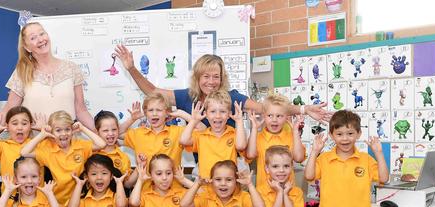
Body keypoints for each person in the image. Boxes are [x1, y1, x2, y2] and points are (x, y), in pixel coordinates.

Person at [114, 45, 331, 127]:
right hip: (204, 167)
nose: (211, 81)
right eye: (205, 76)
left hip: (230, 165)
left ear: (222, 77)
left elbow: (266, 109)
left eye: (215, 76)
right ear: (197, 78)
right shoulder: (185, 97)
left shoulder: (231, 97)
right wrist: (132, 68)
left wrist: (303, 109)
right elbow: (152, 92)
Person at [2, 22, 94, 130]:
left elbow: (81, 110)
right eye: (33, 38)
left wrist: (98, 132)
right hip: (36, 142)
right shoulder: (22, 72)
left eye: (42, 34)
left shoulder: (71, 68)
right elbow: (9, 110)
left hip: (67, 141)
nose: (41, 40)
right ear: (27, 47)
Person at [93, 109, 140, 207]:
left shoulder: (123, 156)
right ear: (97, 132)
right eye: (105, 130)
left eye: (114, 129)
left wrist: (140, 169)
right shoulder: (92, 154)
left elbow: (127, 184)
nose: (110, 134)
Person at [178, 90, 247, 178]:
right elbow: (183, 140)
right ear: (205, 114)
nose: (217, 116)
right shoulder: (201, 135)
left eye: (222, 111)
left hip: (228, 186)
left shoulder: (233, 133)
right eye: (213, 111)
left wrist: (239, 121)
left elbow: (241, 146)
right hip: (206, 186)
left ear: (229, 114)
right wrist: (193, 121)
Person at [246, 94, 306, 191]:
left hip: (287, 193)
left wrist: (295, 132)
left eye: (279, 116)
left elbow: (299, 158)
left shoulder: (291, 137)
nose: (274, 120)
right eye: (270, 115)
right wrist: (254, 130)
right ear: (264, 116)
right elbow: (250, 155)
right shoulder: (258, 137)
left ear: (286, 117)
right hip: (264, 194)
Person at [123, 92, 192, 169]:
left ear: (167, 113)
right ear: (145, 113)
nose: (154, 113)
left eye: (159, 110)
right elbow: (117, 133)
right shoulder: (138, 133)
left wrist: (181, 114)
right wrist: (132, 119)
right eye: (150, 110)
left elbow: (201, 130)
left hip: (173, 181)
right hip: (146, 181)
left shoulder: (177, 132)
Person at [0, 106, 34, 191]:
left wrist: (43, 131)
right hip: (9, 200)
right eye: (15, 123)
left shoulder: (37, 144)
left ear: (30, 126)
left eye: (24, 123)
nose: (19, 127)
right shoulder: (3, 146)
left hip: (36, 201)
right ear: (7, 127)